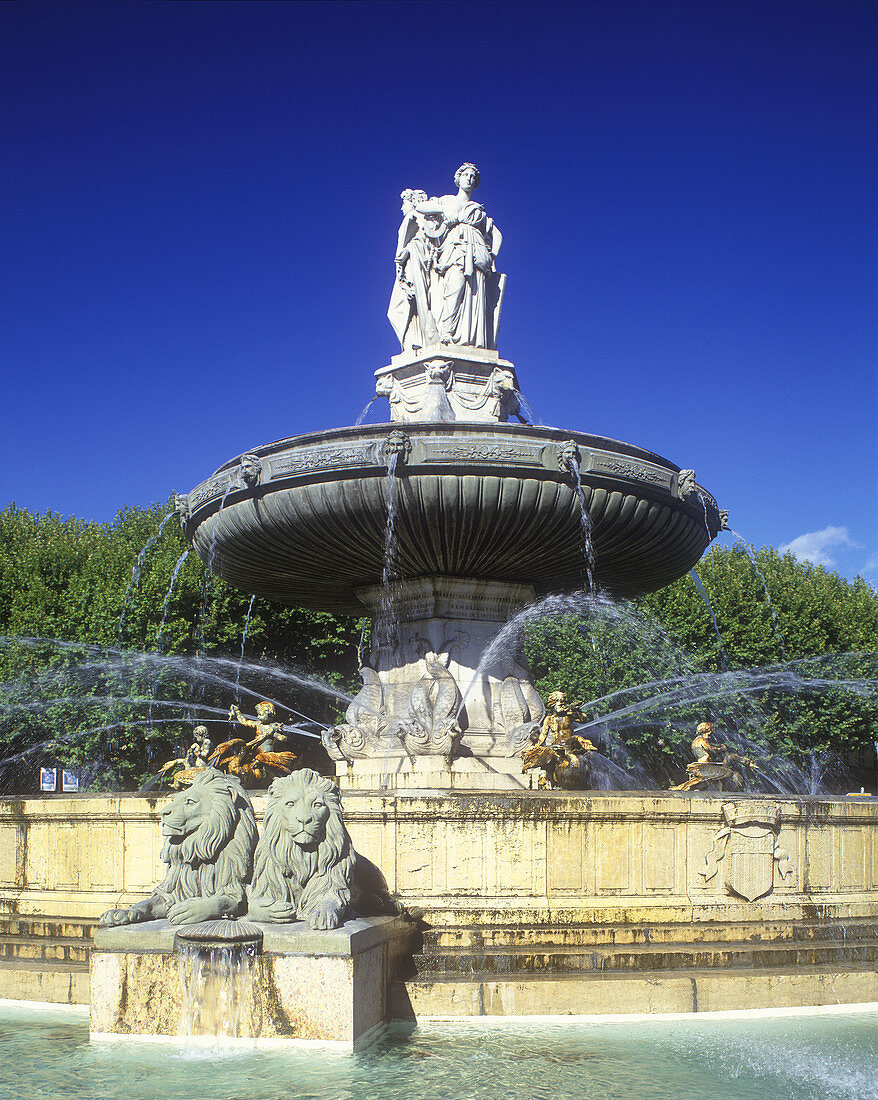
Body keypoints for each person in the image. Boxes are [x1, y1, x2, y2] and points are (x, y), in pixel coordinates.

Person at [432, 163, 503, 349]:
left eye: (473, 177)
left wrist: (492, 254)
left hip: (477, 252)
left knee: (473, 293)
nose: (469, 179)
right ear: (458, 178)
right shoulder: (447, 201)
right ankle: (447, 332)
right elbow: (421, 209)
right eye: (466, 175)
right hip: (455, 249)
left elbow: (498, 234)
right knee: (454, 288)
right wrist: (443, 213)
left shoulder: (478, 210)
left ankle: (470, 338)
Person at [387, 189, 441, 351]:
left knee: (405, 307)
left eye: (405, 203)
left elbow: (428, 241)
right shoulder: (411, 219)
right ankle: (413, 343)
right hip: (408, 268)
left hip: (416, 265)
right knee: (401, 309)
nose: (402, 208)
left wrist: (408, 250)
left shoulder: (418, 217)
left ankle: (422, 340)